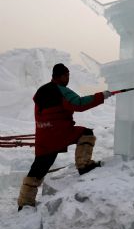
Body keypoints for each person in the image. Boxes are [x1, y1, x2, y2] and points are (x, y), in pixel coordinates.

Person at [17, 63, 112, 210]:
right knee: (86, 133)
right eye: (67, 75)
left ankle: (24, 202)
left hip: (43, 136)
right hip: (60, 133)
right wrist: (102, 96)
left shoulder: (41, 90)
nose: (68, 78)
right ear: (61, 76)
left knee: (39, 168)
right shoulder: (61, 91)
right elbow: (79, 104)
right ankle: (84, 165)